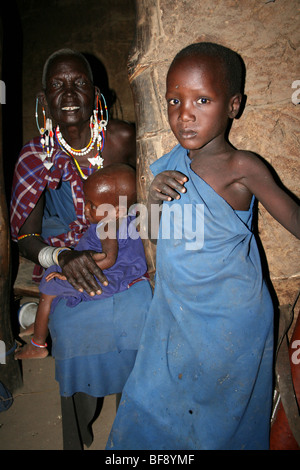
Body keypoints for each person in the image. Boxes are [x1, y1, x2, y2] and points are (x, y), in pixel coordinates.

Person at [106, 42, 300, 450]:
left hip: (231, 319)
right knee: (152, 397)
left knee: (221, 418)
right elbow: (155, 235)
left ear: (234, 105)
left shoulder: (242, 168)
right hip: (176, 311)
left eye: (202, 99)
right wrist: (153, 199)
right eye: (175, 100)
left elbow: (296, 219)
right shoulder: (168, 165)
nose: (184, 114)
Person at [10, 48, 136, 293]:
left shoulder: (122, 139)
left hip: (125, 247)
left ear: (94, 93)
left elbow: (149, 205)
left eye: (79, 83)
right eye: (57, 85)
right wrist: (63, 257)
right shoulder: (36, 156)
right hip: (69, 255)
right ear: (44, 99)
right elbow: (26, 240)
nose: (69, 94)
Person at [15, 163, 149, 359]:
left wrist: (66, 273)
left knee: (49, 284)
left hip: (108, 276)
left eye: (93, 206)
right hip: (119, 270)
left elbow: (108, 259)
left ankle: (38, 343)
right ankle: (41, 321)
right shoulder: (119, 219)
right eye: (86, 202)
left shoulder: (107, 226)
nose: (86, 209)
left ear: (118, 210)